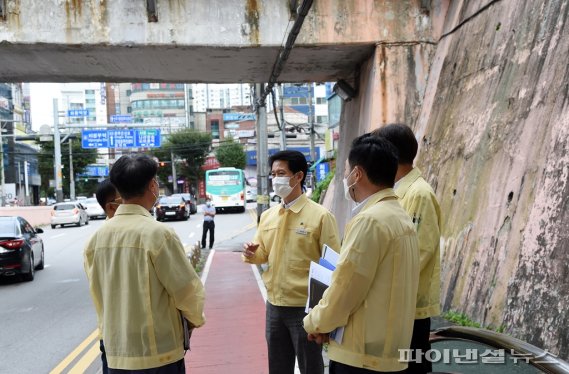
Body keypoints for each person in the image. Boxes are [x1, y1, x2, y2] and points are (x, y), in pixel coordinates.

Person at [303, 135, 419, 373]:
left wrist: (315, 322)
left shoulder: (369, 220)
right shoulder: (400, 217)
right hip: (389, 353)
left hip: (360, 357)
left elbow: (345, 290)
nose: (345, 178)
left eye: (346, 171)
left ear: (357, 174)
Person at [84, 154, 205, 373]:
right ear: (152, 186)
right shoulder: (159, 235)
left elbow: (98, 293)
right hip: (159, 352)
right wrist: (193, 321)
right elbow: (187, 290)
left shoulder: (95, 240)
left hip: (116, 351)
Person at [242, 150, 341, 374]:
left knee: (310, 367)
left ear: (298, 176)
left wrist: (324, 311)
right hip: (274, 306)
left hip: (304, 309)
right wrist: (251, 254)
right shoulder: (268, 216)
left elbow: (333, 264)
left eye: (281, 173)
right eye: (273, 174)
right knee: (277, 366)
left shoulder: (321, 216)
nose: (276, 179)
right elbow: (262, 253)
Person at [372, 124, 442, 374]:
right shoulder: (399, 191)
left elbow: (418, 253)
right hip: (394, 303)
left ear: (389, 155)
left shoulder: (418, 194)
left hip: (409, 307)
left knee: (412, 367)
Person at [93, 179, 122, 374]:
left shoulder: (95, 241)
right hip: (123, 338)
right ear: (111, 206)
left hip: (110, 335)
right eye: (125, 197)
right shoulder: (151, 234)